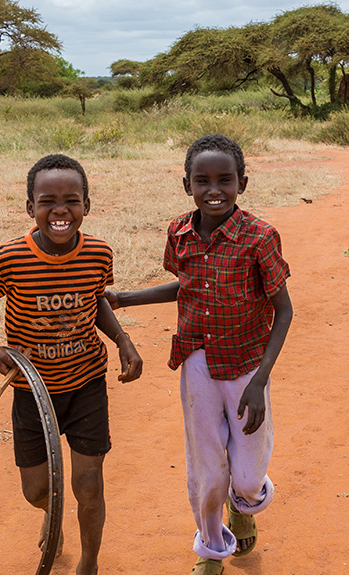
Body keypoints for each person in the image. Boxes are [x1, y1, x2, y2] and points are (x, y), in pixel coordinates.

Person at [107, 134, 293, 575]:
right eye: (202, 180)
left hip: (247, 366)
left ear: (242, 184)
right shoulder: (179, 232)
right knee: (206, 468)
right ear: (186, 184)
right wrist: (126, 299)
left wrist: (261, 382)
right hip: (198, 362)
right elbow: (188, 285)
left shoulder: (260, 237)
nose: (214, 189)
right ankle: (212, 549)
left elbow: (284, 310)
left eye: (225, 180)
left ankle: (244, 503)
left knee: (246, 475)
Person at [0, 153, 142, 575]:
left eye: (71, 200)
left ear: (85, 206)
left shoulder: (98, 253)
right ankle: (52, 512)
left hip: (86, 385)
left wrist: (122, 340)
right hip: (31, 391)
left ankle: (89, 565)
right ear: (31, 208)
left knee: (89, 486)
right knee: (37, 490)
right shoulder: (9, 258)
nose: (60, 210)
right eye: (47, 201)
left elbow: (95, 299)